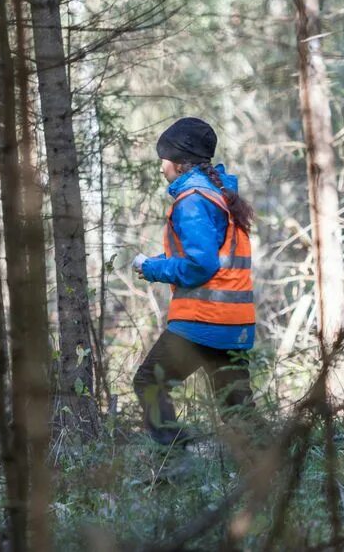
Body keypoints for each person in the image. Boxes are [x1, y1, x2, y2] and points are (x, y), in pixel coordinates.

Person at [131, 117, 256, 447]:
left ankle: (177, 462)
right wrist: (155, 263)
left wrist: (156, 270)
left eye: (163, 160)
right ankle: (275, 474)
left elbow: (201, 264)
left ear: (178, 162)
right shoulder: (218, 194)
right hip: (233, 321)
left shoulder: (193, 201)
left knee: (149, 383)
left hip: (203, 320)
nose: (161, 168)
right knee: (240, 412)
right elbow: (206, 253)